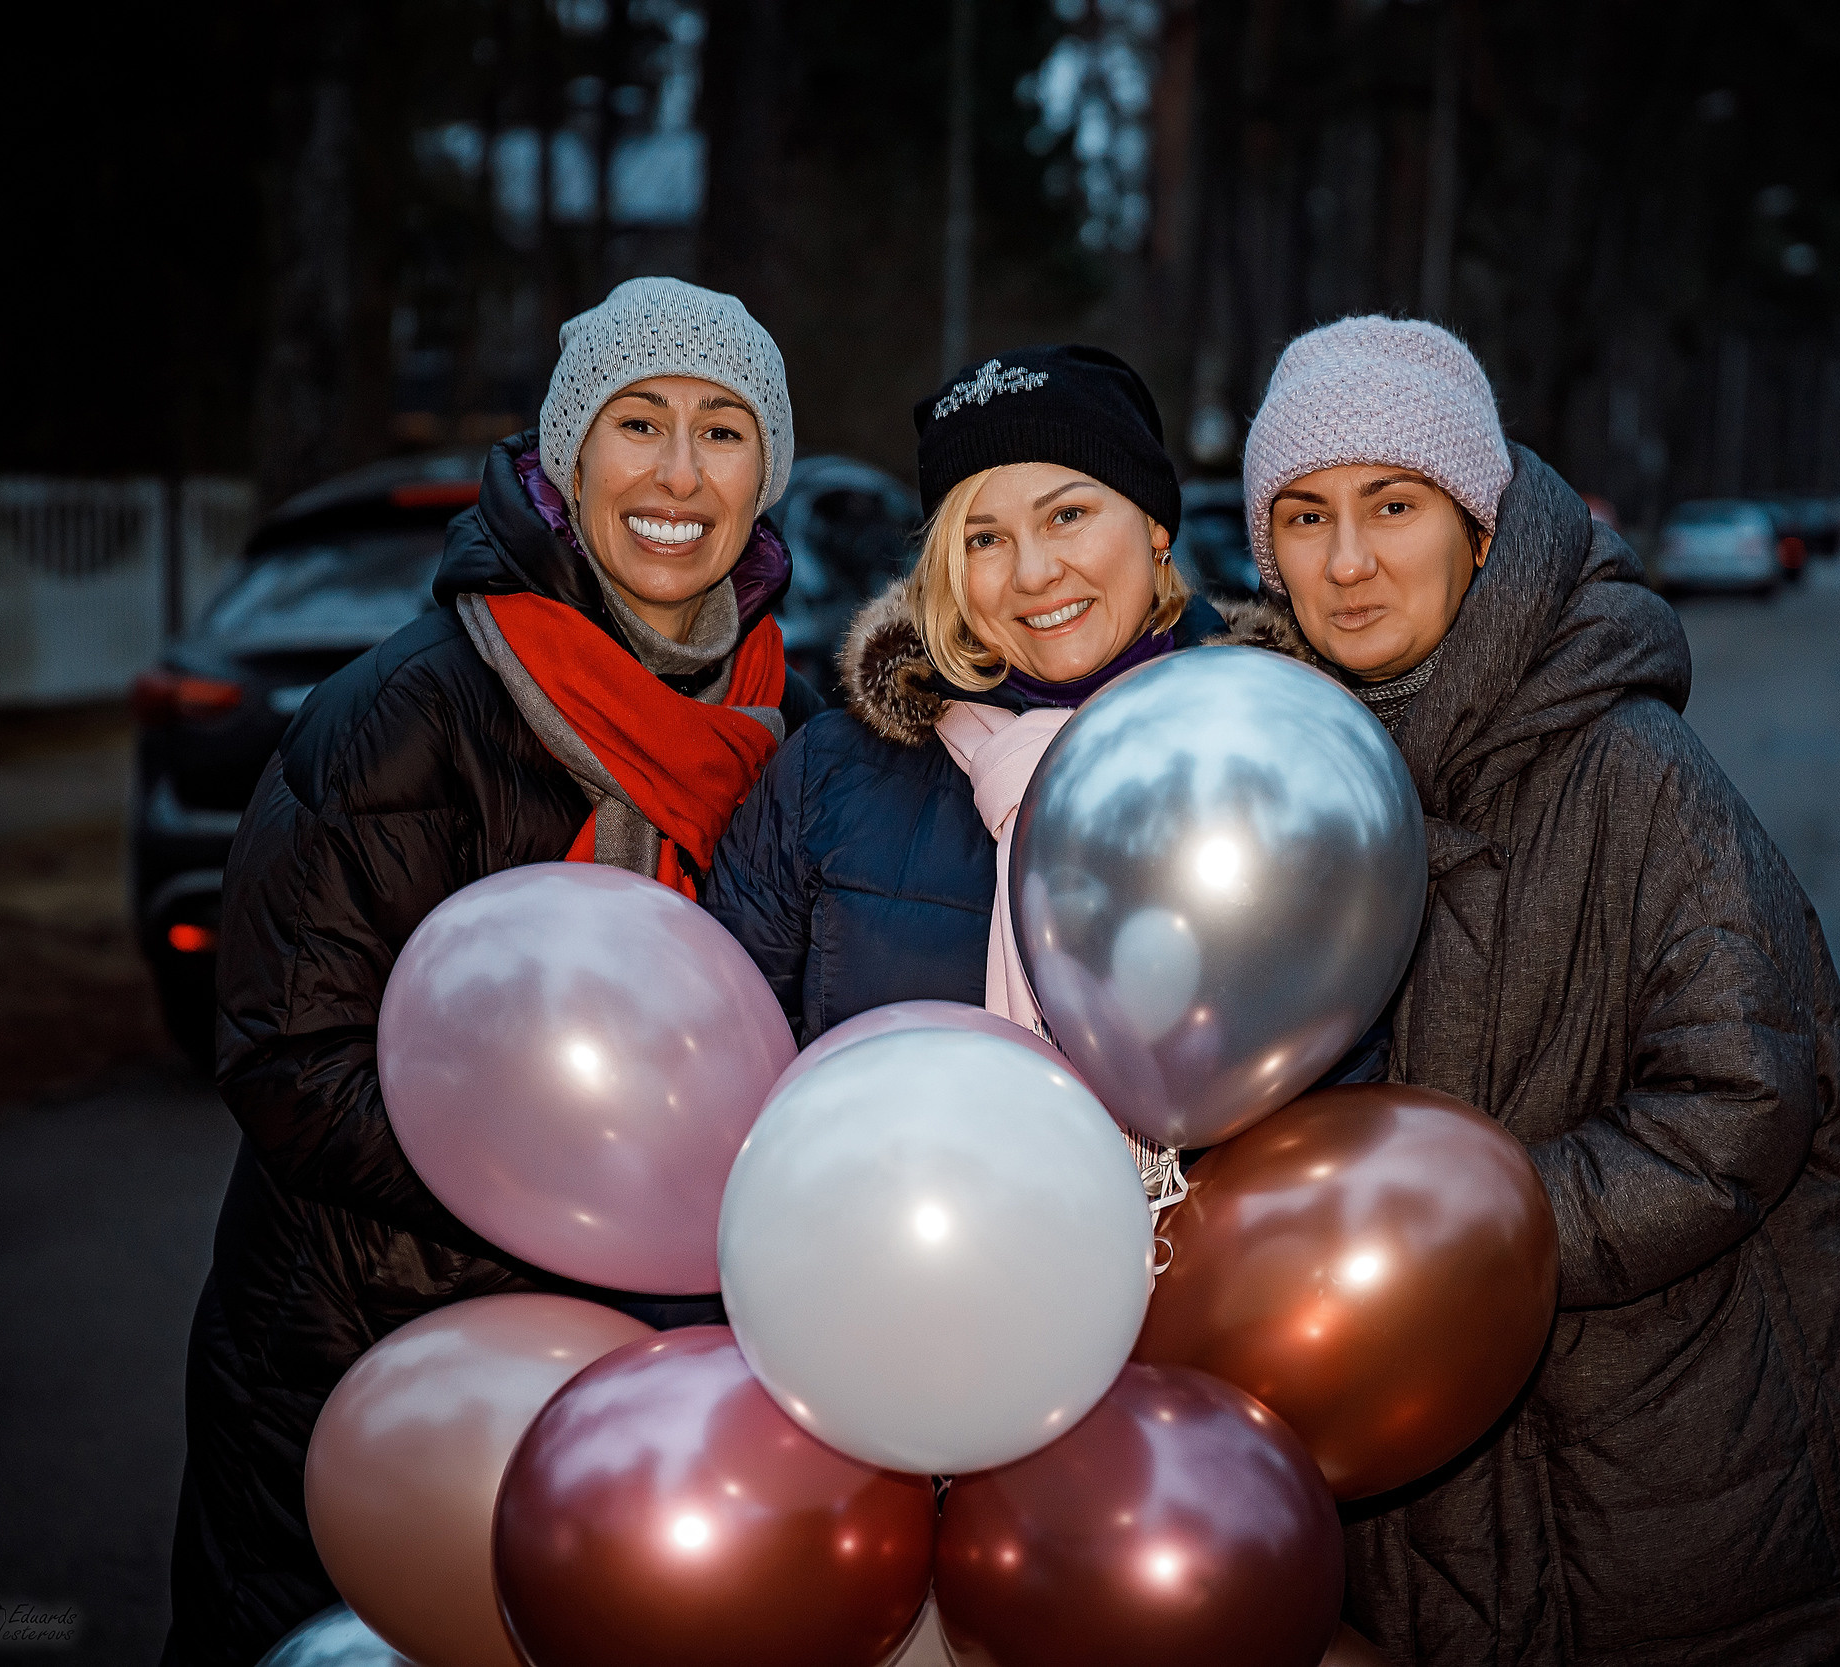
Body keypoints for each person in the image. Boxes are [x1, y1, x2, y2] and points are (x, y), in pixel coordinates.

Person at [1236, 317, 1840, 1664]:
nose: (1349, 558)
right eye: (1305, 516)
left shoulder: (1637, 771)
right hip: (1417, 1512)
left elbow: (1744, 1093)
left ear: (1481, 529)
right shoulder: (1277, 783)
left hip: (1675, 1505)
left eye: (1394, 505)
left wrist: (1471, 1234)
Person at [162, 277, 821, 1667]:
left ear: (769, 476)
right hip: (381, 1358)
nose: (679, 473)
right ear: (568, 452)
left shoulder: (791, 728)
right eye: (639, 422)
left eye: (725, 431)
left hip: (675, 1373)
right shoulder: (405, 711)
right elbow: (289, 1053)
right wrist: (561, 1194)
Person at [704, 344, 1292, 1067]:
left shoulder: (1272, 763)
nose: (1035, 572)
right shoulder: (826, 777)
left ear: (1155, 529)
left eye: (1068, 514)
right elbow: (715, 1053)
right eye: (985, 538)